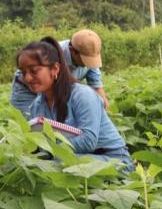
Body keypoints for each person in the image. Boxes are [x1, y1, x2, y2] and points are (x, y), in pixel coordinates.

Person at [16, 37, 131, 168]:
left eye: (34, 71)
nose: (27, 78)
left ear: (55, 69)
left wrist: (49, 150)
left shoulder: (82, 95)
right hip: (78, 158)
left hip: (113, 160)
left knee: (56, 165)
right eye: (23, 72)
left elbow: (88, 141)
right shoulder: (37, 106)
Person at [11, 29, 109, 117]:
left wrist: (101, 107)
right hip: (28, 91)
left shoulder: (89, 53)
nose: (87, 63)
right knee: (35, 127)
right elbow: (28, 77)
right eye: (85, 59)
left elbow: (97, 86)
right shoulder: (53, 53)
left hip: (56, 92)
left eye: (91, 59)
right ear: (72, 51)